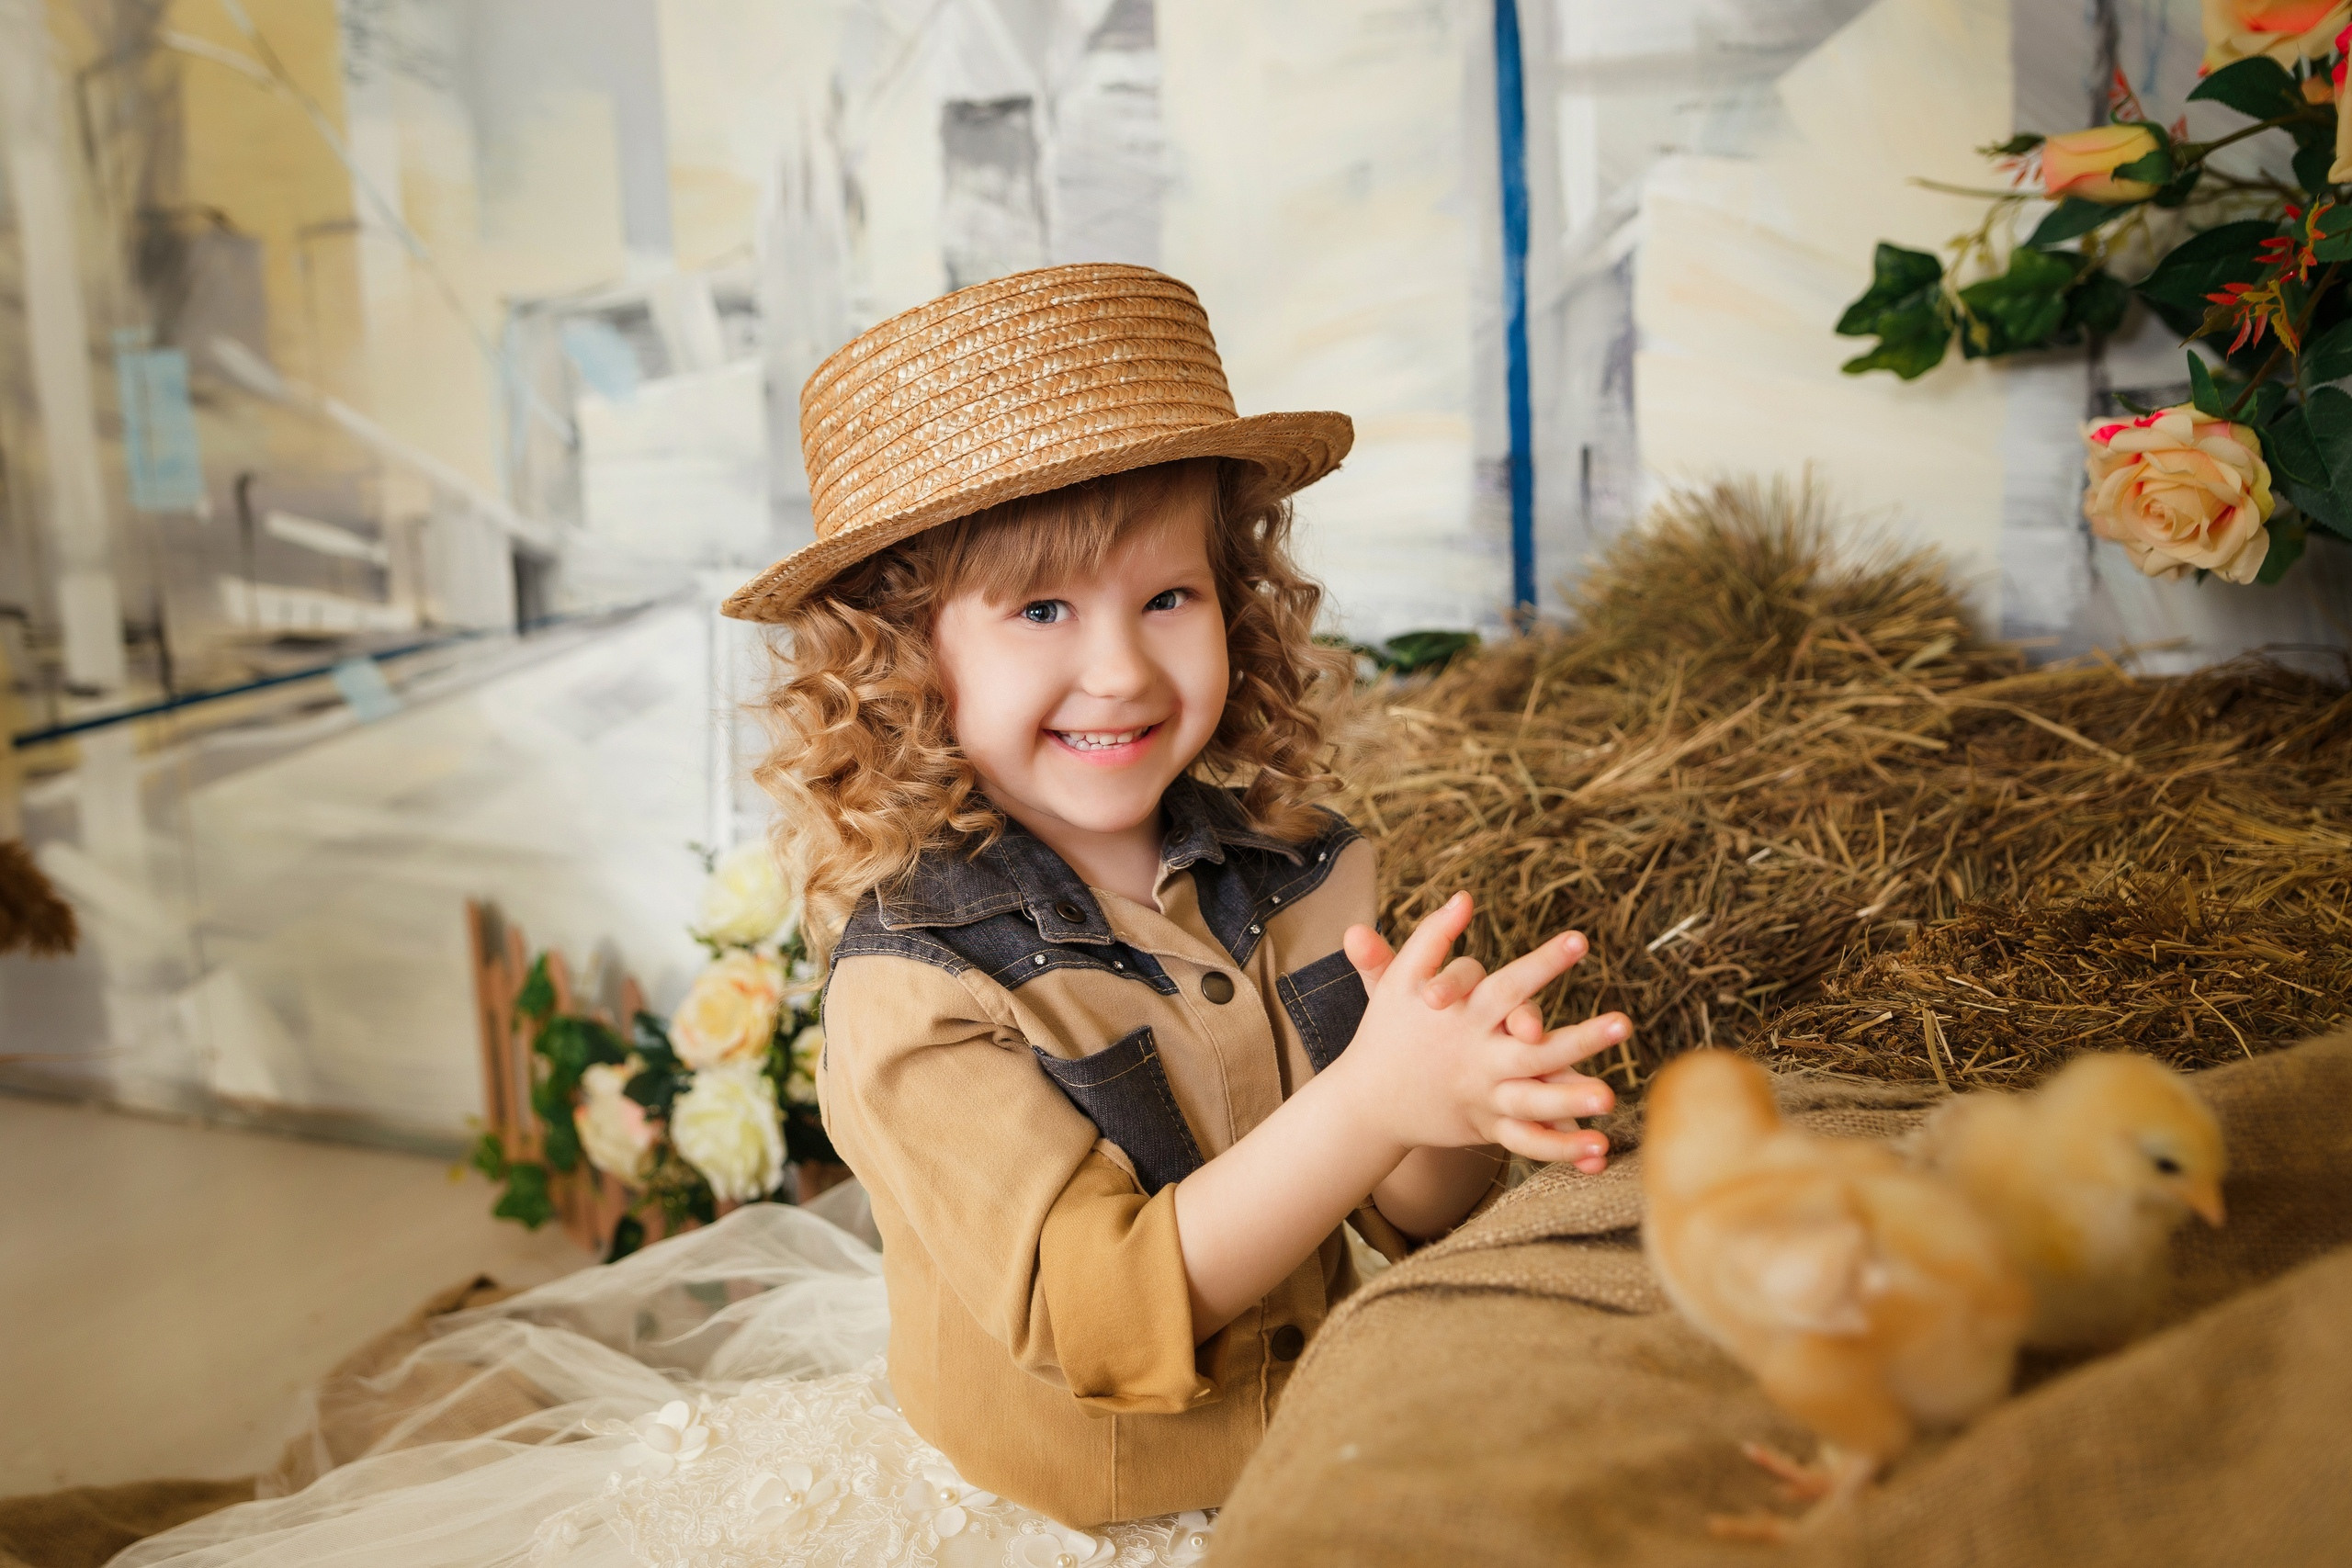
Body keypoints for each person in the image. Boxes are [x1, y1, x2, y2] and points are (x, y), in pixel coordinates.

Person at [116, 264, 1629, 1568]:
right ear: (907, 660)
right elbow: (1102, 1321)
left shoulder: (1300, 872)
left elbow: (1402, 1212)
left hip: (1318, 1444)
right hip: (1095, 1511)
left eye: (1167, 598)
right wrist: (1365, 1105)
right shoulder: (914, 990)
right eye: (1042, 612)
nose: (1119, 671)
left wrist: (1448, 1096)